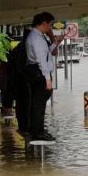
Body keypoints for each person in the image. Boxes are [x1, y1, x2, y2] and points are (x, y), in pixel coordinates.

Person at [25, 12, 61, 141]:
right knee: (38, 105)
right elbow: (41, 60)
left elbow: (45, 53)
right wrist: (48, 79)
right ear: (44, 23)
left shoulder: (36, 37)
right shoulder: (36, 38)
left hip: (36, 73)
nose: (50, 28)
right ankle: (38, 133)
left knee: (38, 104)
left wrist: (55, 43)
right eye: (50, 24)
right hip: (39, 74)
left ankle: (38, 130)